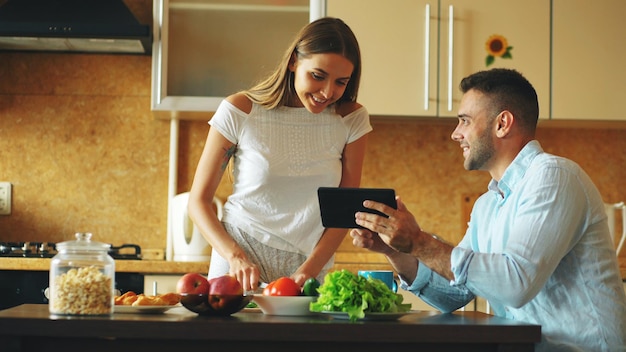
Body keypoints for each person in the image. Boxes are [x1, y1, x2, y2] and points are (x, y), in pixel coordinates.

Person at [350, 68, 626, 351]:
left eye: (464, 121)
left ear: (502, 123)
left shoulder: (553, 176)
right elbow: (454, 294)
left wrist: (419, 242)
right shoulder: (487, 205)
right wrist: (397, 250)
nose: (456, 134)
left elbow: (515, 284)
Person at [187, 17, 371, 293]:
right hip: (239, 259)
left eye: (341, 82)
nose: (327, 92)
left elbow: (342, 212)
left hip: (309, 267)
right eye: (318, 76)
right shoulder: (240, 110)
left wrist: (308, 271)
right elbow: (197, 202)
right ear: (294, 61)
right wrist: (235, 257)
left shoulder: (352, 119)